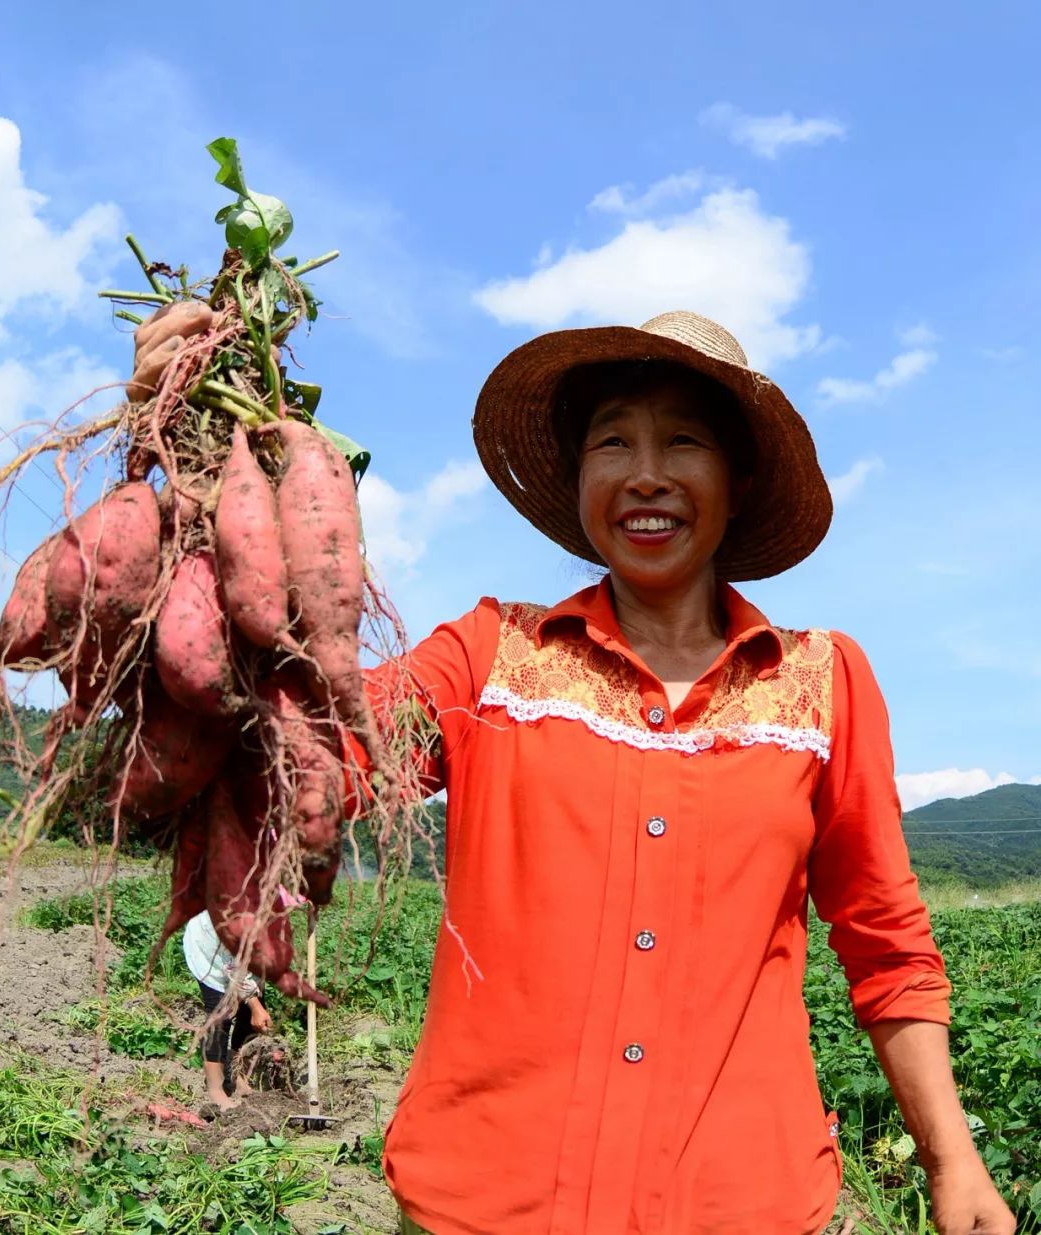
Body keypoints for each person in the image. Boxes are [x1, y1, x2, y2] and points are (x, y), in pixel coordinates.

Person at [135, 307, 1014, 1234]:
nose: (645, 474)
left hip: (740, 1208)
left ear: (739, 478)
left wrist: (953, 1162)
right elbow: (308, 756)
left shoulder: (822, 686)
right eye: (611, 442)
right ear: (579, 475)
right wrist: (193, 466)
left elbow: (886, 940)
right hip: (480, 1207)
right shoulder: (488, 658)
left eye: (683, 441)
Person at [182, 907, 273, 1110]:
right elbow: (232, 966)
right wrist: (254, 1003)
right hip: (212, 952)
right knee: (220, 1015)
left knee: (250, 1009)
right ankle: (215, 1089)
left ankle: (237, 1074)